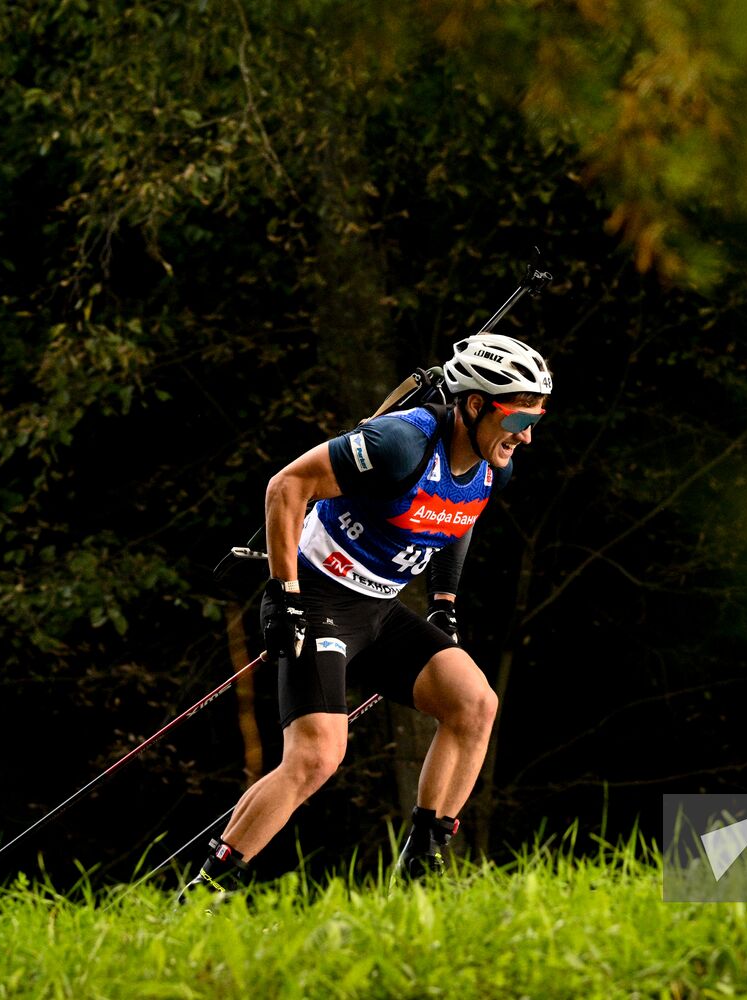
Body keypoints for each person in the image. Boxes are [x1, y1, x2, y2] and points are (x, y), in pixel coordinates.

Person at [179, 334, 552, 901]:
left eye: (536, 419)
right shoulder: (400, 442)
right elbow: (287, 485)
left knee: (474, 704)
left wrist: (444, 602)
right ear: (475, 404)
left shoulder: (491, 465)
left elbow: (460, 513)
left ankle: (419, 872)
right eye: (519, 418)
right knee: (316, 756)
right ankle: (203, 896)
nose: (526, 436)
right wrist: (283, 592)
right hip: (317, 599)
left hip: (379, 608)